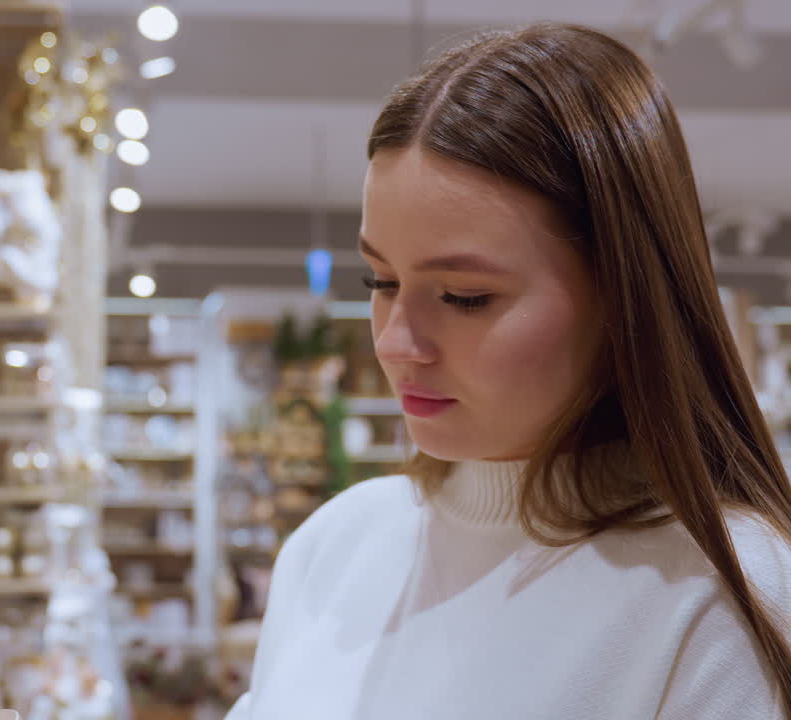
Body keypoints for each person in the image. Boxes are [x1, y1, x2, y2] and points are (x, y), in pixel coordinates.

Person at [224, 22, 791, 719]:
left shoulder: (717, 592)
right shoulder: (334, 546)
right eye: (381, 282)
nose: (397, 343)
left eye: (465, 297)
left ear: (623, 296)